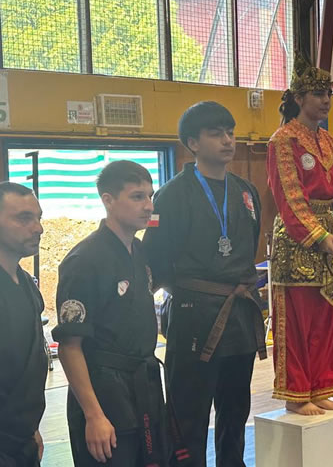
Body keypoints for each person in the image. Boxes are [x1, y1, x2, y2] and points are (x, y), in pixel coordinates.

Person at [142, 101, 265, 467]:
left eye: (230, 132)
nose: (228, 140)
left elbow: (249, 246)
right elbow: (155, 259)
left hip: (239, 314)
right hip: (194, 315)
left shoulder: (246, 191)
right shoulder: (171, 195)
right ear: (193, 143)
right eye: (216, 134)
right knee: (187, 415)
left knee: (236, 410)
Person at [53, 161, 167, 467]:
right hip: (104, 392)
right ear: (108, 200)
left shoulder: (139, 252)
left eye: (150, 196)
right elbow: (69, 346)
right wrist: (93, 416)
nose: (148, 206)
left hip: (143, 384)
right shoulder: (84, 260)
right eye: (137, 196)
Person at [267, 53, 333, 415]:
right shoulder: (283, 140)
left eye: (328, 94)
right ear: (299, 97)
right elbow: (290, 197)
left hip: (331, 240)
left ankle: (321, 386)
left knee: (326, 319)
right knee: (297, 321)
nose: (325, 101)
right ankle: (296, 393)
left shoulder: (331, 142)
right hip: (298, 241)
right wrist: (321, 237)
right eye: (318, 94)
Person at [0, 182, 47, 467]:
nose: (38, 228)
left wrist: (31, 427)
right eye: (24, 218)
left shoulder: (26, 283)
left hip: (22, 439)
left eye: (38, 217)